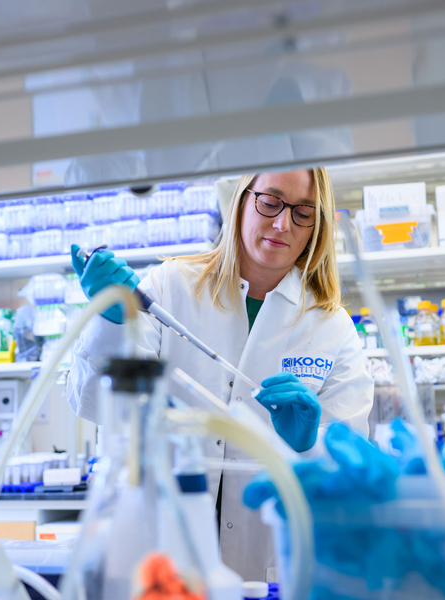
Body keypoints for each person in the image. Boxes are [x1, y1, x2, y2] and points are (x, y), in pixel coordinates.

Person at [66, 168, 374, 581]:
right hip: (160, 552)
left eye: (304, 212)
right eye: (271, 201)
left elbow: (350, 468)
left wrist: (308, 444)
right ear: (242, 199)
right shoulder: (171, 286)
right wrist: (111, 323)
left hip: (267, 561)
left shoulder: (330, 325)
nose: (283, 224)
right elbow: (91, 401)